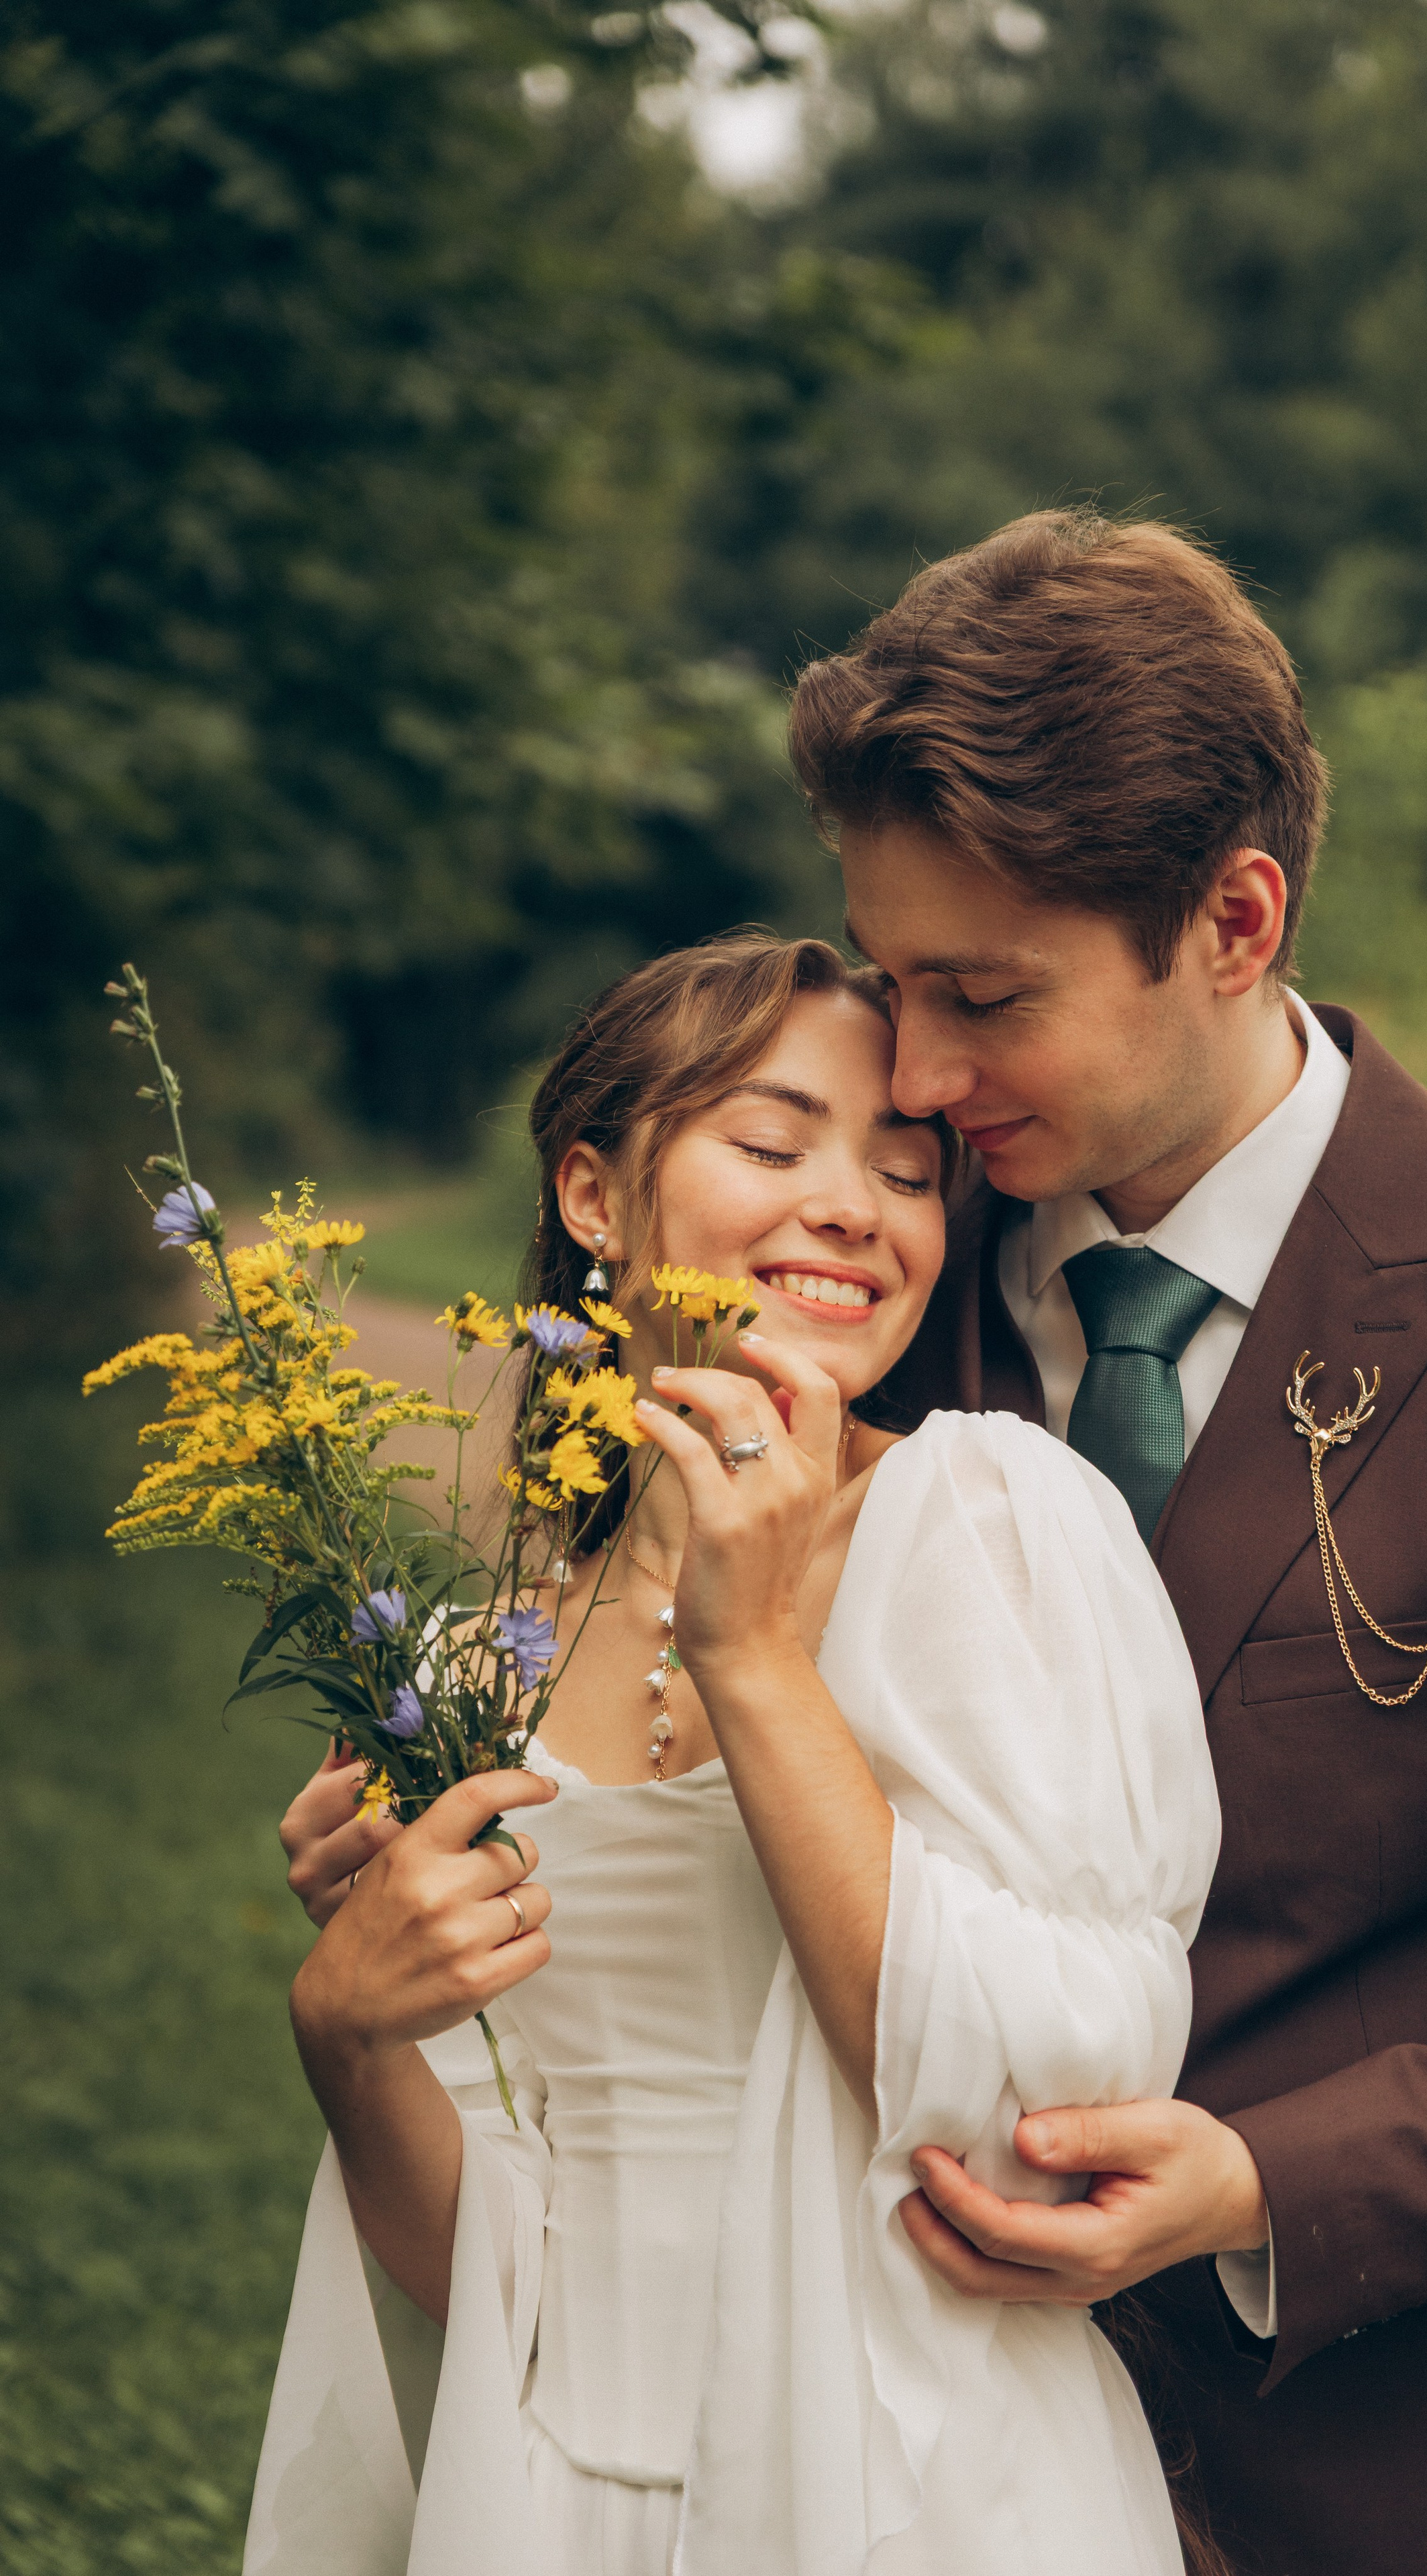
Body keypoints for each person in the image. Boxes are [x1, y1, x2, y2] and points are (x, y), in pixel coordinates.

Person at [785, 505, 1427, 2576]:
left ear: (1234, 918)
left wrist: (1263, 2183)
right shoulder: (872, 1295)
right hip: (928, 2472)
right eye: (890, 982)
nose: (917, 1077)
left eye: (986, 998)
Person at [244, 933, 1222, 2576]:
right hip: (550, 2504)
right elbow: (484, 2278)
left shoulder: (991, 1520)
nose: (851, 1206)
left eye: (908, 1173)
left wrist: (754, 1655)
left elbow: (1033, 2125)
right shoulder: (478, 1661)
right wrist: (350, 2038)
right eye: (770, 1147)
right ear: (593, 1198)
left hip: (909, 2503)